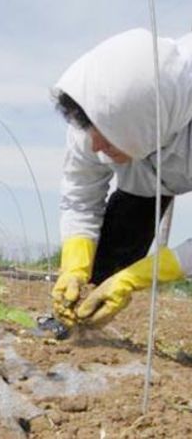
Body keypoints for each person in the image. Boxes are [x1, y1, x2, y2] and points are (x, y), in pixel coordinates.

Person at [51, 28, 192, 328]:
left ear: (144, 124)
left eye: (108, 140)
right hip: (143, 180)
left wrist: (141, 276)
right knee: (109, 261)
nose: (95, 147)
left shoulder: (152, 107)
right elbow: (80, 196)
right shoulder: (94, 115)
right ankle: (81, 326)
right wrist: (74, 267)